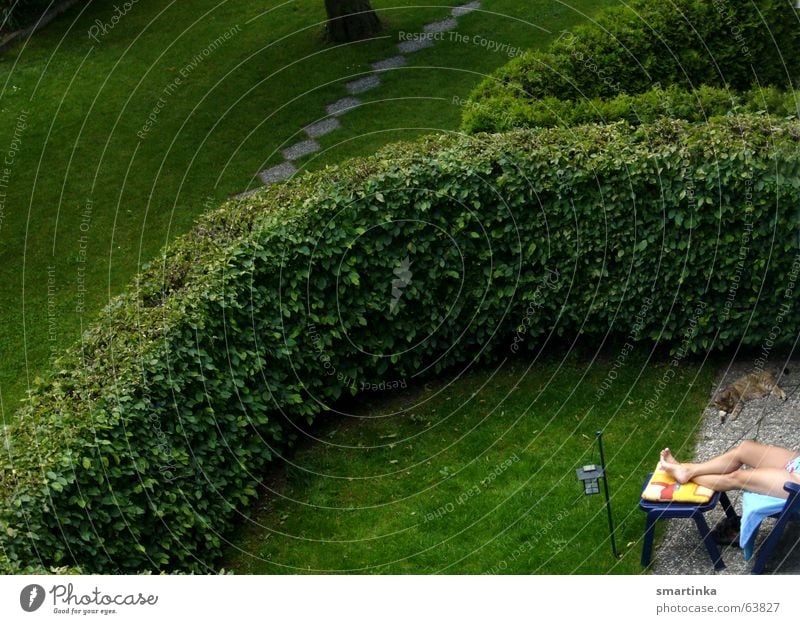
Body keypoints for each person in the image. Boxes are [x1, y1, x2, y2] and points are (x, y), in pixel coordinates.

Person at [659, 440, 800, 499]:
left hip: (797, 484)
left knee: (736, 477)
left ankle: (686, 473)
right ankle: (687, 470)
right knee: (745, 449)